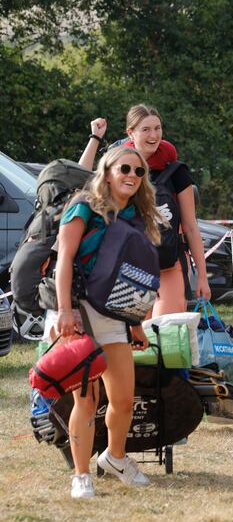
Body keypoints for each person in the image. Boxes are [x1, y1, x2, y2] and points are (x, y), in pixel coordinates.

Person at [48, 147, 163, 498]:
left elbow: (134, 276)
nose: (131, 175)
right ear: (107, 171)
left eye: (139, 171)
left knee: (124, 399)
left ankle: (114, 457)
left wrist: (136, 323)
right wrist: (65, 310)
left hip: (115, 314)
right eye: (124, 168)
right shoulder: (85, 205)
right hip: (78, 310)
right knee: (87, 397)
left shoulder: (135, 214)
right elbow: (63, 260)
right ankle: (81, 475)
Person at [78, 106, 211, 315]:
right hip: (128, 267)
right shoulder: (120, 170)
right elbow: (81, 179)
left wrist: (202, 277)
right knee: (135, 337)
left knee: (166, 332)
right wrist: (95, 137)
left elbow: (191, 228)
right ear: (130, 133)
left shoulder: (176, 172)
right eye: (146, 129)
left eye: (157, 128)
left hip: (169, 263)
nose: (153, 135)